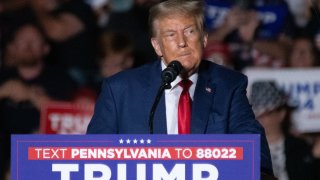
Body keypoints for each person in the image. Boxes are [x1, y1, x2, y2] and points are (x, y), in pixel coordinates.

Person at [87, 0, 274, 177]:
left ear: (204, 39)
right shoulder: (120, 90)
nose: (182, 42)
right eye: (170, 35)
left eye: (190, 31)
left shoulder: (228, 85)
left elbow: (256, 157)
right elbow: (93, 161)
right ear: (157, 46)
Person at [250, 80, 318, 180]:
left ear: (281, 114)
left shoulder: (300, 148)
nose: (260, 119)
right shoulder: (246, 150)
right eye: (256, 114)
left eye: (266, 113)